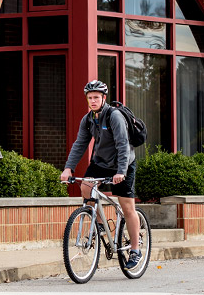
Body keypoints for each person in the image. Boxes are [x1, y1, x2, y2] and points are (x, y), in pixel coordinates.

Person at [59, 80, 142, 269]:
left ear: (103, 98)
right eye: (90, 98)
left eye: (96, 97)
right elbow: (80, 144)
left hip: (123, 163)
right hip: (101, 163)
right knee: (86, 187)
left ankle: (135, 250)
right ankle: (99, 225)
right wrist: (68, 168)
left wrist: (121, 171)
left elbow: (123, 144)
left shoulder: (115, 116)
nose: (93, 100)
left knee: (127, 206)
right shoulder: (88, 119)